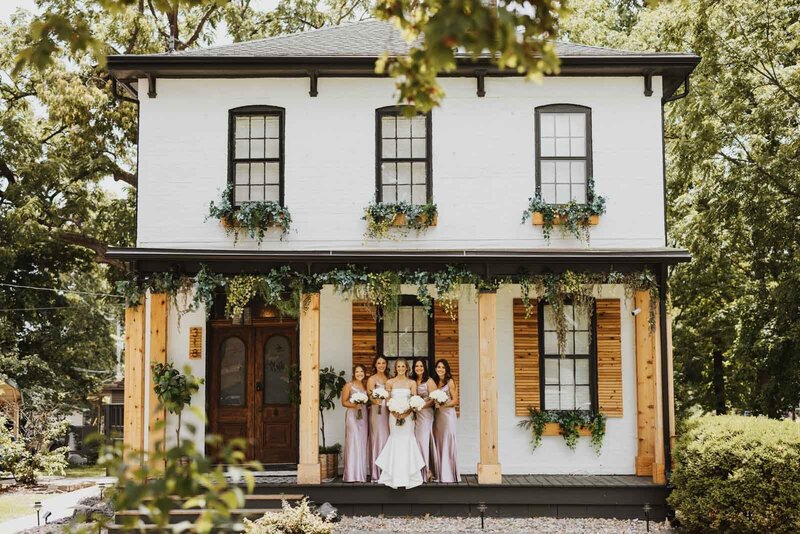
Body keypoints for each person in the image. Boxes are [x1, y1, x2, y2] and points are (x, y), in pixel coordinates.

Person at [375, 358, 425, 489]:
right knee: (395, 440)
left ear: (407, 368)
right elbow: (388, 401)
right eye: (398, 366)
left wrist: (406, 413)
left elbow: (414, 400)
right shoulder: (390, 382)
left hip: (408, 418)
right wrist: (395, 412)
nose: (401, 368)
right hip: (393, 416)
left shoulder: (412, 383)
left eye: (403, 366)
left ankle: (410, 476)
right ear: (395, 368)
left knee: (408, 440)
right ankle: (392, 476)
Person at [432, 358, 460, 483]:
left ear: (446, 369)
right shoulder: (435, 382)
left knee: (447, 441)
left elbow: (455, 401)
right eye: (438, 367)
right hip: (438, 416)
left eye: (443, 367)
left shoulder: (450, 382)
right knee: (439, 441)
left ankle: (449, 474)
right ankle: (439, 472)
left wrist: (443, 405)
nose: (440, 369)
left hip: (448, 416)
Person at [341, 365, 369, 482]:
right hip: (352, 417)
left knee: (362, 443)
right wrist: (355, 405)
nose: (359, 374)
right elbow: (344, 402)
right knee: (353, 442)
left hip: (363, 416)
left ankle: (360, 474)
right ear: (354, 373)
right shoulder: (349, 385)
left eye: (361, 371)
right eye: (357, 372)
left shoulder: (365, 385)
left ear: (364, 373)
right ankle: (351, 475)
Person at [412, 358, 438, 482]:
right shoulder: (412, 380)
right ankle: (418, 470)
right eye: (416, 366)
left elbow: (433, 399)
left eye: (421, 366)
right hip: (414, 415)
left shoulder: (429, 381)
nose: (419, 368)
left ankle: (426, 471)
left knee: (423, 441)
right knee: (416, 441)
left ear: (425, 367)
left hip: (426, 414)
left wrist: (421, 405)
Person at [366, 355, 390, 481]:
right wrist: (378, 401)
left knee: (387, 439)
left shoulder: (389, 379)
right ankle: (376, 473)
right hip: (377, 411)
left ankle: (386, 471)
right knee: (377, 438)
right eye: (379, 363)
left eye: (383, 363)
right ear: (375, 365)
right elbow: (370, 397)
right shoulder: (372, 379)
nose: (381, 365)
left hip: (388, 412)